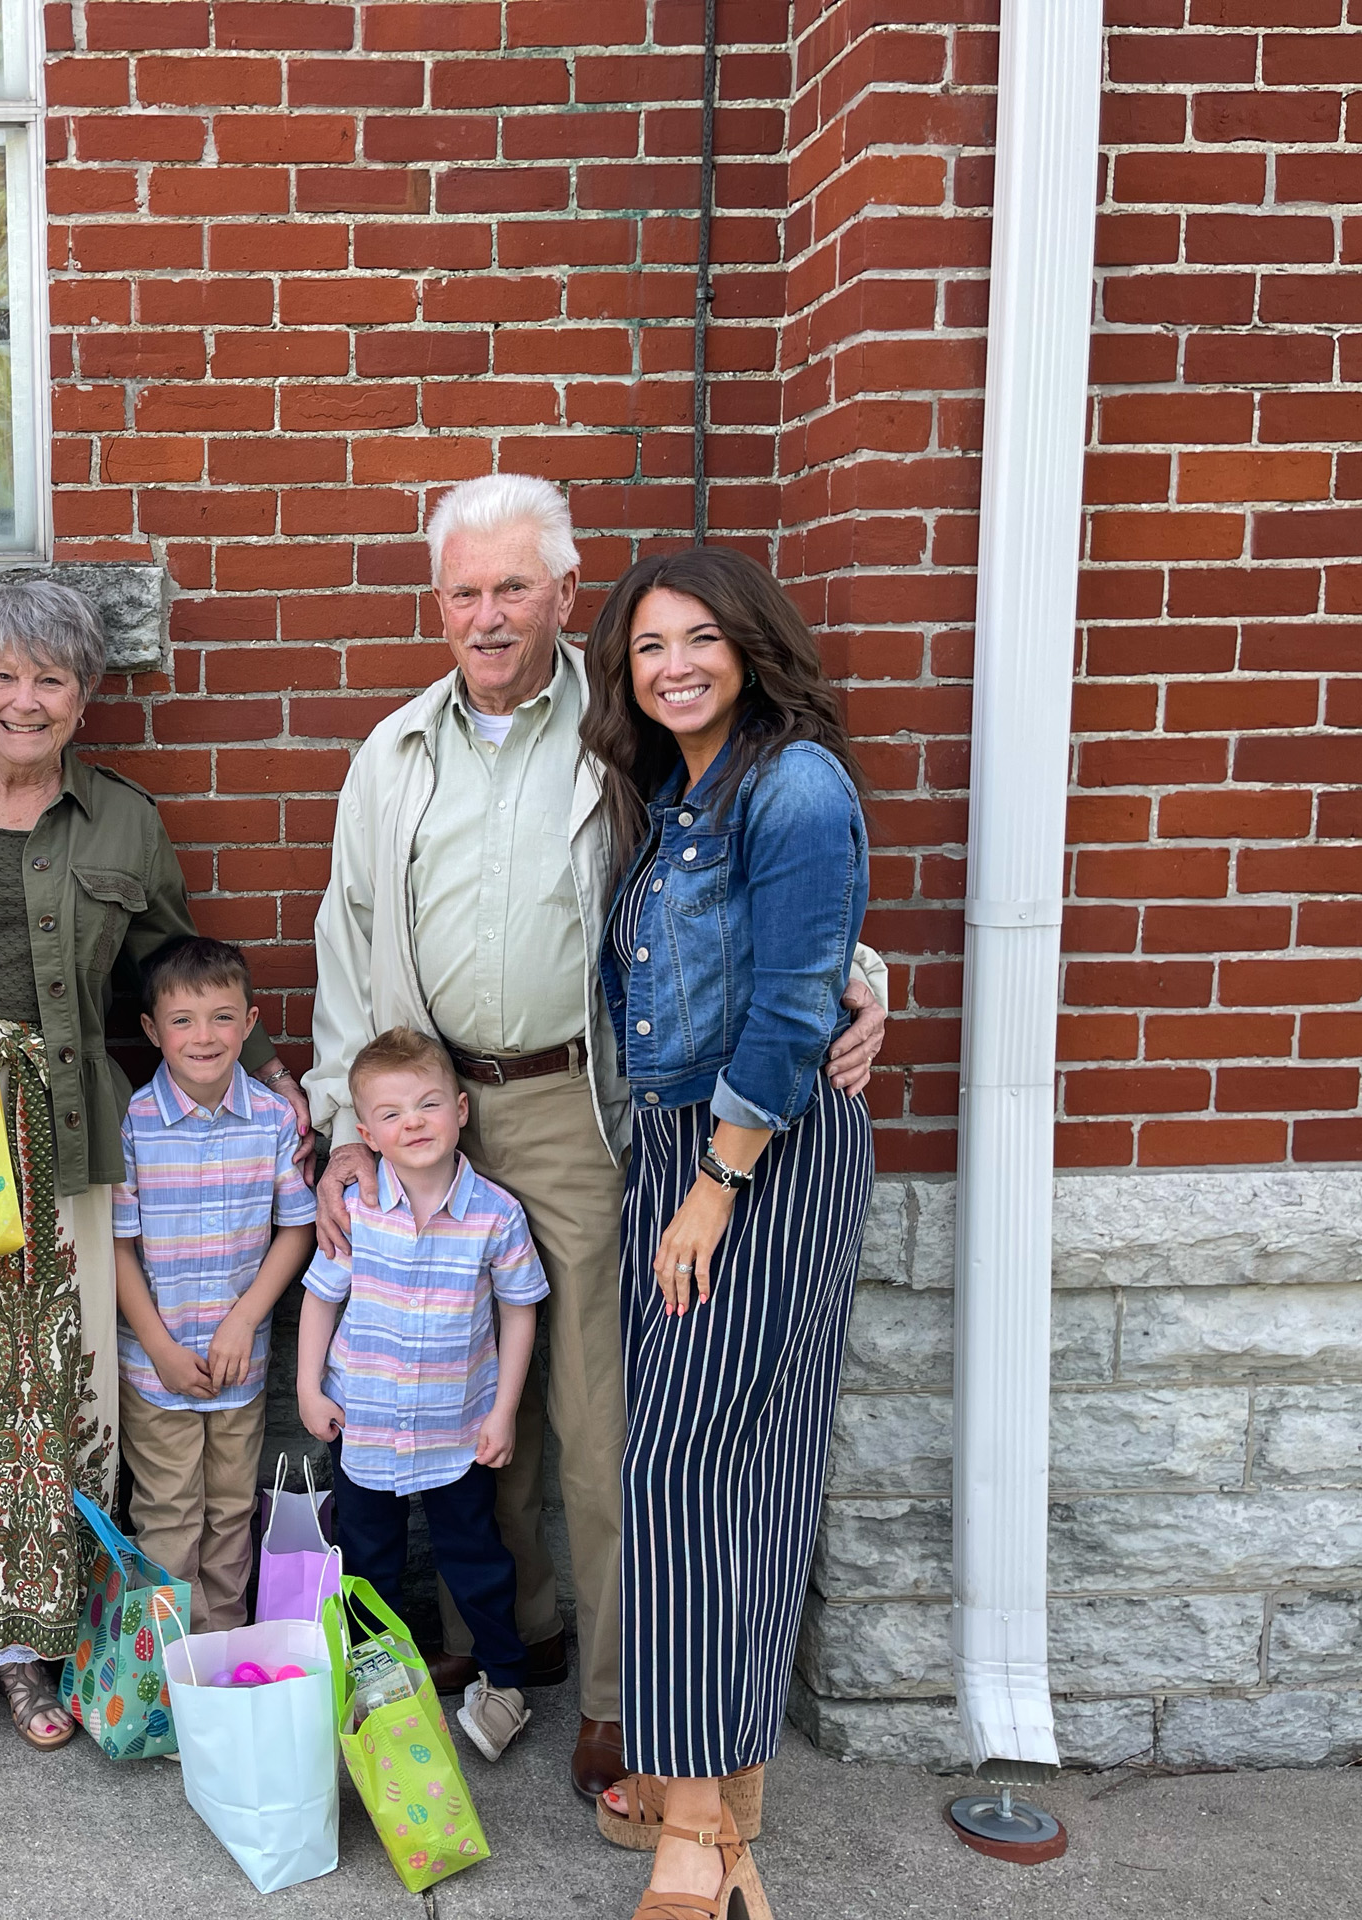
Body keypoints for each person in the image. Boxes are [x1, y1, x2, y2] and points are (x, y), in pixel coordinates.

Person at [306, 473, 889, 1803]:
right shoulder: (394, 752)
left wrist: (858, 978)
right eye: (466, 590)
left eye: (516, 587)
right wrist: (352, 1124)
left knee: (595, 1402)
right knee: (457, 1384)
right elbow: (347, 940)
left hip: (583, 1104)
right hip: (427, 1120)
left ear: (567, 596)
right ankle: (503, 1643)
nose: (490, 615)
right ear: (437, 602)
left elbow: (741, 871)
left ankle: (623, 1699)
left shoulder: (626, 721)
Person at [0, 579, 316, 1769]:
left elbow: (173, 979)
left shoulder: (124, 824)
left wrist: (272, 1078)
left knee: (52, 1395)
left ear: (85, 695)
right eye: (2, 675)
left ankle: (33, 1647)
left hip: (68, 1137)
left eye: (51, 679)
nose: (24, 700)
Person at [584, 546, 876, 1920]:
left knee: (684, 1470)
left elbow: (800, 992)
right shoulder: (681, 795)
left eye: (701, 637)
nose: (676, 664)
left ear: (753, 647)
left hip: (750, 1158)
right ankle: (720, 1811)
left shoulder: (794, 782)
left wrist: (714, 1184)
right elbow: (791, 963)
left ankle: (695, 1831)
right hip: (683, 1152)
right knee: (717, 1475)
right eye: (650, 647)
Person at [296, 1026, 547, 1763]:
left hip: (456, 1426)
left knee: (475, 1557)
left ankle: (505, 1683)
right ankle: (378, 1685)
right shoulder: (357, 1210)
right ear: (366, 1132)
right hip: (365, 1423)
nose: (414, 1123)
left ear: (461, 1110)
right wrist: (308, 1389)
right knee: (367, 1563)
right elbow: (319, 1299)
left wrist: (501, 1410)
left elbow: (521, 1307)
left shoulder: (495, 1214)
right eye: (393, 1114)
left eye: (429, 1105)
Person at [112, 935, 318, 1632]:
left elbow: (297, 1228)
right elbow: (117, 1246)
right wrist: (160, 1347)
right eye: (182, 1020)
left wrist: (245, 1317)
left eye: (223, 1017)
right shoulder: (133, 1124)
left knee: (231, 1509)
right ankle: (170, 1677)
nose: (204, 1037)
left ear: (252, 1020)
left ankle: (224, 1649)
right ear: (151, 1029)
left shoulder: (271, 1121)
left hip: (240, 1361)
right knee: (169, 1514)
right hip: (156, 1365)